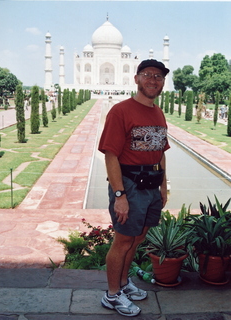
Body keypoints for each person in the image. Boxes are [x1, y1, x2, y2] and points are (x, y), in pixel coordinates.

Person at [98, 59, 170, 317]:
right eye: (148, 75)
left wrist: (164, 186)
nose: (153, 80)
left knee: (138, 238)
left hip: (152, 185)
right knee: (123, 240)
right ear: (137, 78)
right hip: (129, 185)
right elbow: (110, 155)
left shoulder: (158, 112)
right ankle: (112, 295)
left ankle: (124, 282)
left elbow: (161, 153)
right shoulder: (121, 111)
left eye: (159, 76)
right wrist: (120, 195)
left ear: (163, 82)